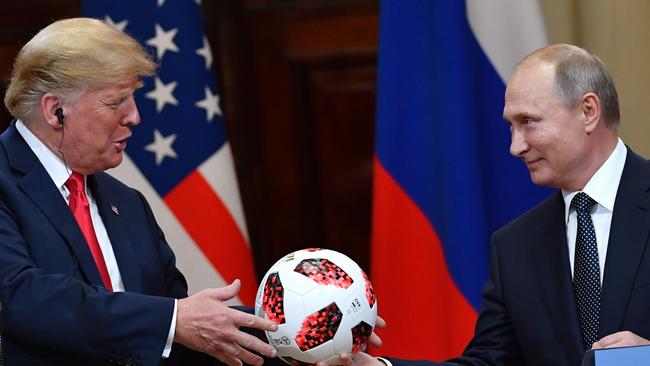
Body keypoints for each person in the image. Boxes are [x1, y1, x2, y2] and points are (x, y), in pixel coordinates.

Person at [342, 44, 650, 366]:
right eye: (510, 126)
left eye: (528, 121)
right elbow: (488, 363)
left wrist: (644, 358)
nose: (515, 147)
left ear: (588, 111)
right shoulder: (515, 246)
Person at [0, 18, 279, 365]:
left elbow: (189, 334)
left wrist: (305, 337)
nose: (134, 116)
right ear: (56, 111)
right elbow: (22, 297)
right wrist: (172, 321)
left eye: (133, 97)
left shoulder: (127, 203)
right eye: (116, 101)